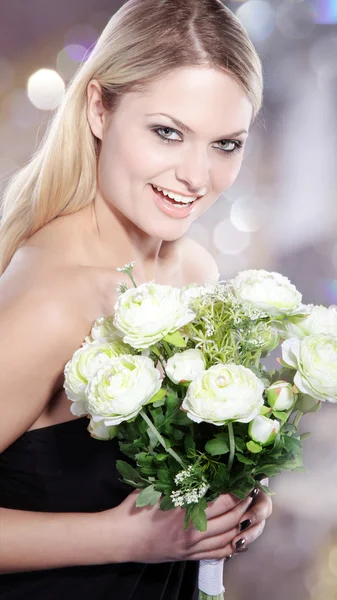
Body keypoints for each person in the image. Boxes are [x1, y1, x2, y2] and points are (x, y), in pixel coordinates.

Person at [0, 0, 272, 597]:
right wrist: (125, 538)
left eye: (225, 145)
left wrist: (231, 499)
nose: (196, 177)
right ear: (100, 108)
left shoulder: (196, 267)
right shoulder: (52, 297)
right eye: (168, 133)